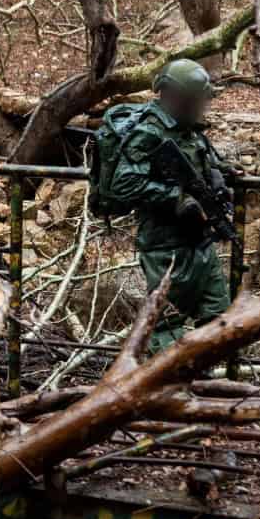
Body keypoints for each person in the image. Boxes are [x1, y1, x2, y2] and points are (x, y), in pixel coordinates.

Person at [104, 58, 235, 352]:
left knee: (220, 320)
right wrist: (176, 199)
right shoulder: (149, 132)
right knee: (166, 331)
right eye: (197, 100)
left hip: (200, 242)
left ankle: (200, 387)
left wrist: (224, 172)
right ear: (179, 98)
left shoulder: (188, 129)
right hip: (166, 248)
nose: (203, 106)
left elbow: (200, 161)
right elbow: (124, 183)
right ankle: (159, 391)